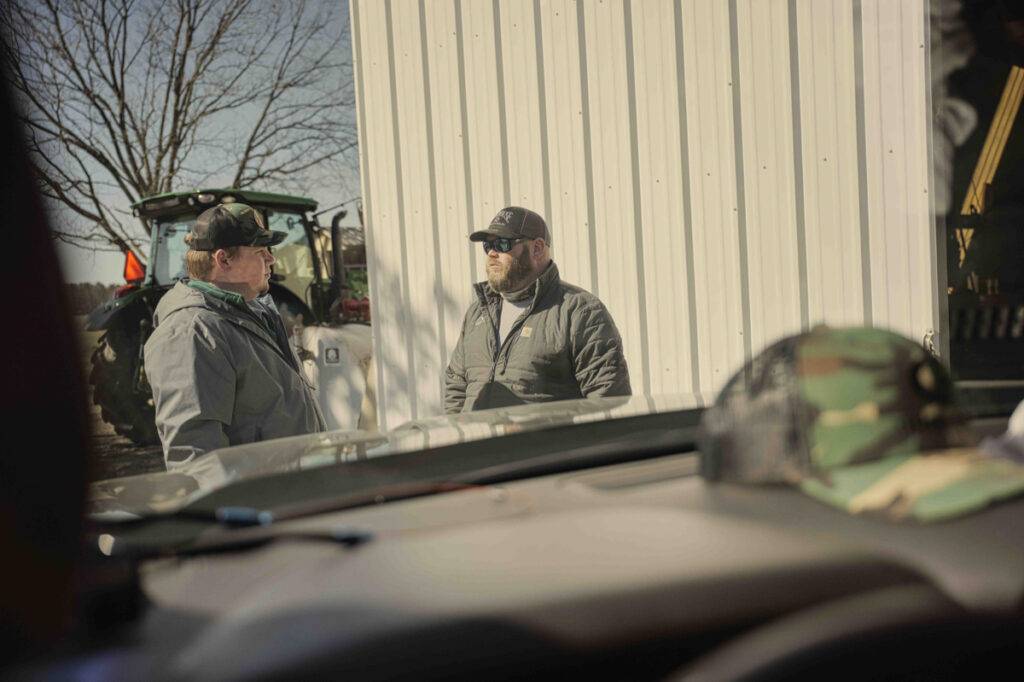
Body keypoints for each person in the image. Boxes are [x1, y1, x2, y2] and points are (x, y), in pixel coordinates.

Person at [144, 202, 325, 468]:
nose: (271, 259)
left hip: (291, 493)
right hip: (262, 502)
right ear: (223, 259)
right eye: (260, 251)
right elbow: (196, 458)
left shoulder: (250, 314)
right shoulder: (192, 332)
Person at [444, 206, 631, 413]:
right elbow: (456, 390)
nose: (492, 253)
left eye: (502, 243)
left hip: (548, 446)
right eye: (487, 246)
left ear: (537, 248)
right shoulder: (477, 314)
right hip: (481, 446)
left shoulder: (580, 312)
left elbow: (608, 403)